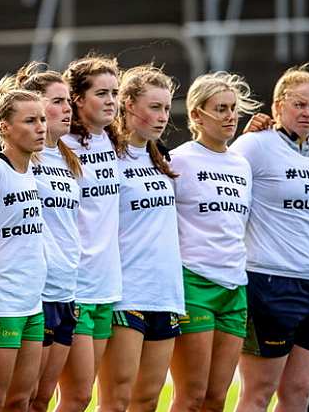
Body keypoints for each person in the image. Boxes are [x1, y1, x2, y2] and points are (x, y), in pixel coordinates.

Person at [168, 71, 259, 412]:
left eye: (234, 108)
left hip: (235, 284)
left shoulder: (241, 164)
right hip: (194, 281)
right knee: (191, 396)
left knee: (217, 398)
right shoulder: (178, 160)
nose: (230, 116)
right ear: (196, 114)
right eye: (220, 108)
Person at [98, 65, 184, 412]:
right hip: (126, 291)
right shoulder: (107, 156)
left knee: (147, 400)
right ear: (128, 105)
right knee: (116, 400)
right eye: (154, 107)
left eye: (166, 108)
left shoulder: (163, 157)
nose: (163, 116)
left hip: (165, 293)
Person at [0, 63, 82, 412]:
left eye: (68, 102)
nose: (66, 109)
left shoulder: (70, 156)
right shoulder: (16, 158)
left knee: (43, 399)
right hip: (34, 291)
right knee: (20, 398)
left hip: (67, 288)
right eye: (57, 101)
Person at [231, 64, 309, 412]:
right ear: (278, 106)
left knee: (299, 392)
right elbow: (220, 176)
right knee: (259, 392)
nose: (307, 113)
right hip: (268, 280)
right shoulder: (255, 145)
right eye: (299, 104)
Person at [56, 55, 124, 412]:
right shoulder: (59, 143)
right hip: (74, 285)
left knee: (88, 398)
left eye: (115, 92)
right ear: (77, 99)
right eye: (102, 93)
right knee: (76, 395)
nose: (111, 100)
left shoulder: (113, 142)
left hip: (106, 286)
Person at [0, 87, 49, 412]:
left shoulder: (33, 170)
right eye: (31, 120)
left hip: (32, 302)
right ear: (4, 126)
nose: (41, 127)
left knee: (21, 399)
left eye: (43, 119)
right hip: (0, 301)